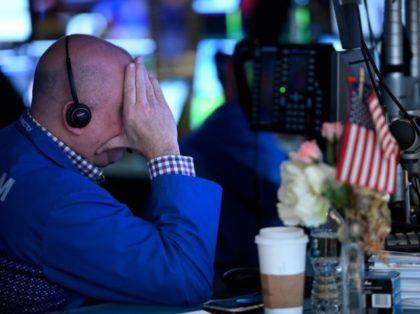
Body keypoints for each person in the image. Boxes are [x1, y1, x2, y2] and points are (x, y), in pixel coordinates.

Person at [0, 34, 222, 312]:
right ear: (77, 116)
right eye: (127, 109)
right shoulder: (62, 203)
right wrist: (164, 149)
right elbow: (189, 282)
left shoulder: (10, 145)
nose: (137, 125)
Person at [180, 51, 288, 278]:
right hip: (233, 270)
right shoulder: (237, 120)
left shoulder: (223, 121)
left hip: (219, 262)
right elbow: (285, 192)